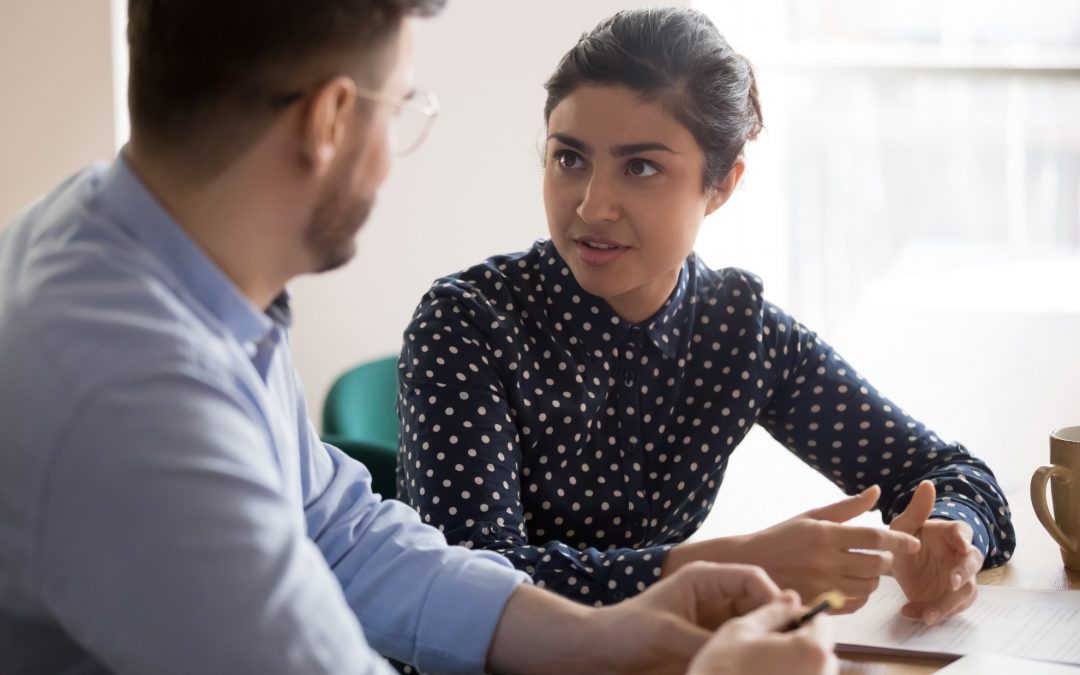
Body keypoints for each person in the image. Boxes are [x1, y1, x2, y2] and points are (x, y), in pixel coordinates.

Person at [0, 1, 840, 674]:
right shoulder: (135, 399)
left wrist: (603, 635)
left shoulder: (133, 246)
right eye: (400, 106)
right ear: (330, 119)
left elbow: (342, 533)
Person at [397, 6, 1016, 625]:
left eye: (640, 167)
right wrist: (730, 569)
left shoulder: (740, 335)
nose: (592, 205)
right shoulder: (466, 325)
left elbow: (949, 473)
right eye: (570, 159)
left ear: (720, 185)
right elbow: (466, 584)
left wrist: (951, 539)